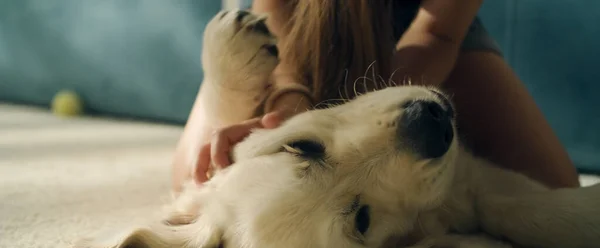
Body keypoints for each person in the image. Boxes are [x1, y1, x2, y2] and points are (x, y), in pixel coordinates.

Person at [171, 0, 580, 194]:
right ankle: (237, 71)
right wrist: (289, 115)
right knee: (196, 181)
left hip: (419, 25)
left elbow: (439, 32)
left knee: (553, 186)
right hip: (285, 24)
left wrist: (355, 123)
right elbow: (281, 33)